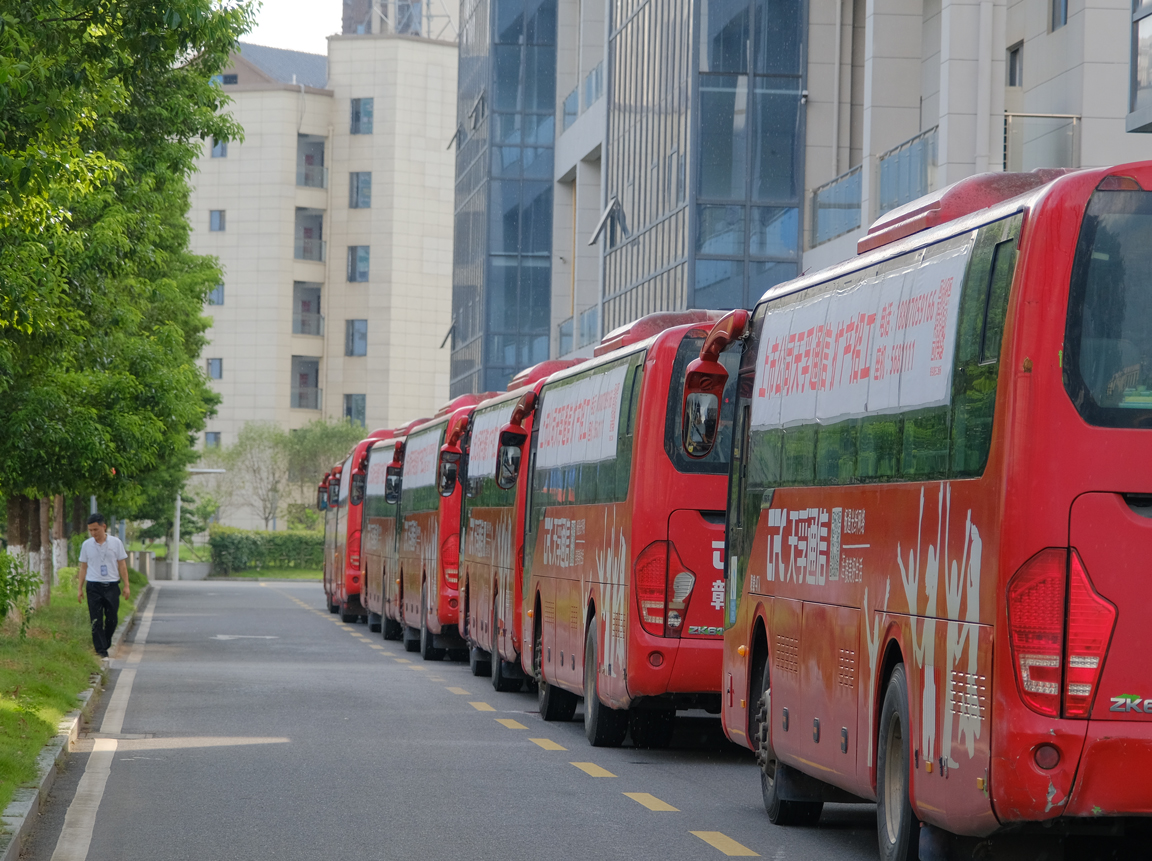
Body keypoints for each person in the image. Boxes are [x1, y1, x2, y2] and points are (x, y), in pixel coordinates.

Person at [77, 512, 130, 658]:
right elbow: (83, 567)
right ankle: (101, 651)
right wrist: (80, 588)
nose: (93, 533)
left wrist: (126, 585)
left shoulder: (116, 543)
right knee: (96, 620)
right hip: (93, 586)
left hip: (112, 586)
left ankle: (105, 642)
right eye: (91, 530)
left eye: (96, 529)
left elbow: (122, 565)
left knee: (112, 619)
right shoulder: (86, 545)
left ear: (104, 527)